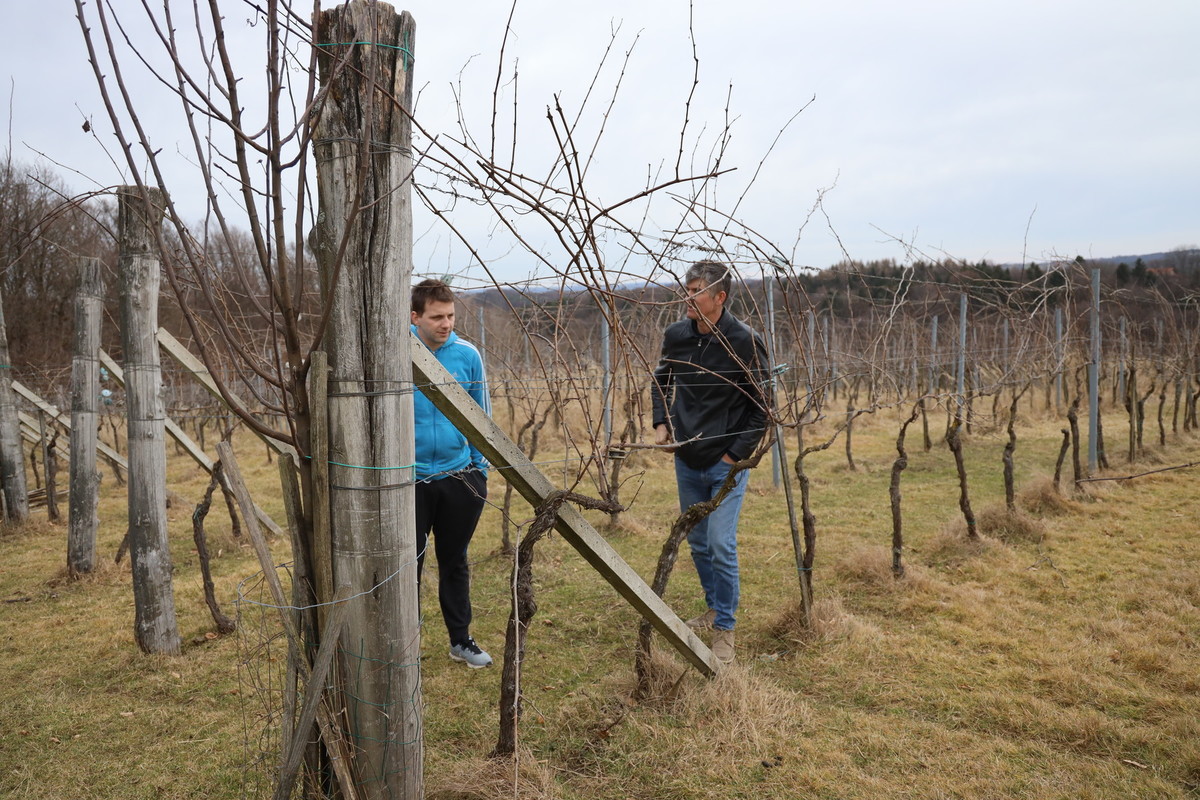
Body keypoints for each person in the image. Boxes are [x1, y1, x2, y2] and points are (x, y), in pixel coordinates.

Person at [651, 260, 769, 664]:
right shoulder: (677, 335)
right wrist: (662, 423)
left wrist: (732, 455)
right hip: (687, 457)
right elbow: (661, 379)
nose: (688, 296)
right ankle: (714, 607)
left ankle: (725, 629)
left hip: (725, 462)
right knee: (698, 542)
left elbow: (763, 407)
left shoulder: (745, 340)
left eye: (697, 290)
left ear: (719, 297)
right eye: (686, 288)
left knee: (720, 542)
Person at [411, 278, 493, 668]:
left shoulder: (467, 355)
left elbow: (481, 413)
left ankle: (460, 641)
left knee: (454, 560)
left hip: (459, 476)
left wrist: (481, 470)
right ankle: (402, 645)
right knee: (404, 563)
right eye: (437, 317)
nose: (446, 324)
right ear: (415, 317)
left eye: (451, 316)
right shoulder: (395, 353)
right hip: (406, 480)